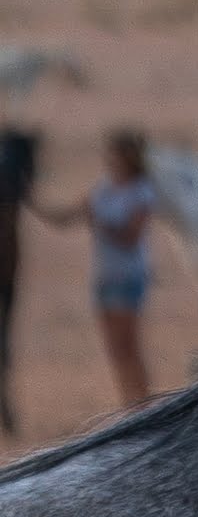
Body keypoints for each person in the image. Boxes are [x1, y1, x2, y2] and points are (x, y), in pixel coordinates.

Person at [34, 128, 155, 404]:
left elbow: (131, 237)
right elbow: (66, 218)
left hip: (128, 276)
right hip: (105, 275)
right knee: (114, 348)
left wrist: (100, 223)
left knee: (129, 344)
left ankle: (143, 404)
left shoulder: (141, 192)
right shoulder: (104, 188)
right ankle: (129, 401)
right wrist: (32, 202)